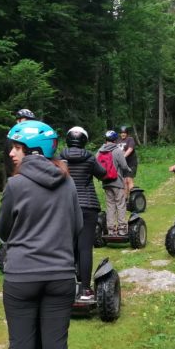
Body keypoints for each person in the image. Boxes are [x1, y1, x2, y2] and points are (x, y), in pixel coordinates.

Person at [0, 120, 83, 349]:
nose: (11, 152)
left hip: (21, 279)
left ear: (33, 151)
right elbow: (76, 227)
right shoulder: (67, 183)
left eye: (17, 147)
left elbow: (4, 231)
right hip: (60, 277)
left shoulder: (15, 186)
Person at [60, 126, 106, 299]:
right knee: (85, 248)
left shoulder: (60, 158)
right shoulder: (89, 158)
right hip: (88, 206)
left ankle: (66, 286)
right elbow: (103, 174)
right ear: (84, 141)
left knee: (66, 247)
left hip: (66, 206)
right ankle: (85, 290)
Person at [96, 130, 131, 236]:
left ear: (105, 139)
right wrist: (129, 170)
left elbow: (96, 164)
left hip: (106, 182)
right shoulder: (117, 150)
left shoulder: (99, 151)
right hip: (117, 182)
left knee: (110, 205)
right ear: (116, 140)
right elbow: (124, 166)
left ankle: (111, 230)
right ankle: (122, 229)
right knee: (120, 204)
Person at [4, 109, 36, 178]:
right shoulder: (13, 136)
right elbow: (8, 158)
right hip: (18, 174)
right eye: (26, 120)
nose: (29, 123)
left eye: (30, 120)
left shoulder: (34, 136)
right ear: (18, 121)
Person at [117, 125, 138, 199]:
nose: (123, 134)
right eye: (122, 133)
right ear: (120, 133)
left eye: (125, 132)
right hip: (123, 164)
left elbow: (130, 149)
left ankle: (134, 198)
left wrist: (123, 157)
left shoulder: (130, 139)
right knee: (124, 182)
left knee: (129, 180)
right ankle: (125, 200)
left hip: (131, 163)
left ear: (127, 133)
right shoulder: (118, 140)